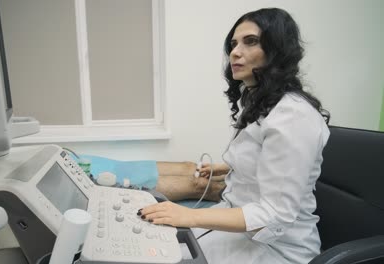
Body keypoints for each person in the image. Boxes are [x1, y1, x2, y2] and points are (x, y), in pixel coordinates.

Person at [140, 8, 331, 264]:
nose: (235, 52)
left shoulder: (293, 117)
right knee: (156, 246)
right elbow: (267, 160)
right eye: (233, 44)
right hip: (238, 227)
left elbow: (274, 215)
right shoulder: (262, 103)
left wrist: (189, 215)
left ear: (277, 49)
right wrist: (226, 168)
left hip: (276, 249)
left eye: (250, 41)